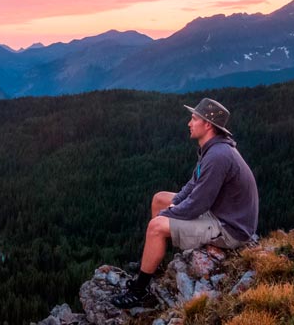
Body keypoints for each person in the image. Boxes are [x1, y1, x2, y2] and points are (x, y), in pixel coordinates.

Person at [110, 98, 259, 309]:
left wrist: (170, 214)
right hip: (220, 213)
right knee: (159, 198)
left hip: (230, 228)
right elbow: (192, 186)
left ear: (207, 124)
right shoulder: (211, 150)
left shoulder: (218, 156)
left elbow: (198, 203)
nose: (189, 123)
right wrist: (171, 206)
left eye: (193, 118)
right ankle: (155, 262)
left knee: (156, 227)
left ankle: (139, 290)